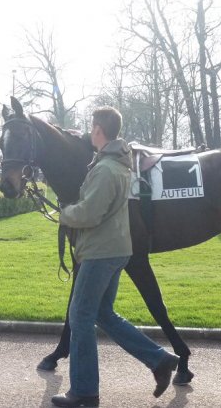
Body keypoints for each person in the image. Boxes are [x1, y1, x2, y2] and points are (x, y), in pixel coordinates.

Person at [51, 107, 179, 407]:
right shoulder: (114, 163)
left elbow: (90, 212)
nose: (89, 131)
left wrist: (65, 214)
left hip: (101, 252)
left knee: (80, 316)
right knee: (102, 314)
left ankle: (84, 391)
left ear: (98, 130)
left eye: (91, 127)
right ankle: (159, 360)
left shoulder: (106, 168)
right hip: (114, 249)